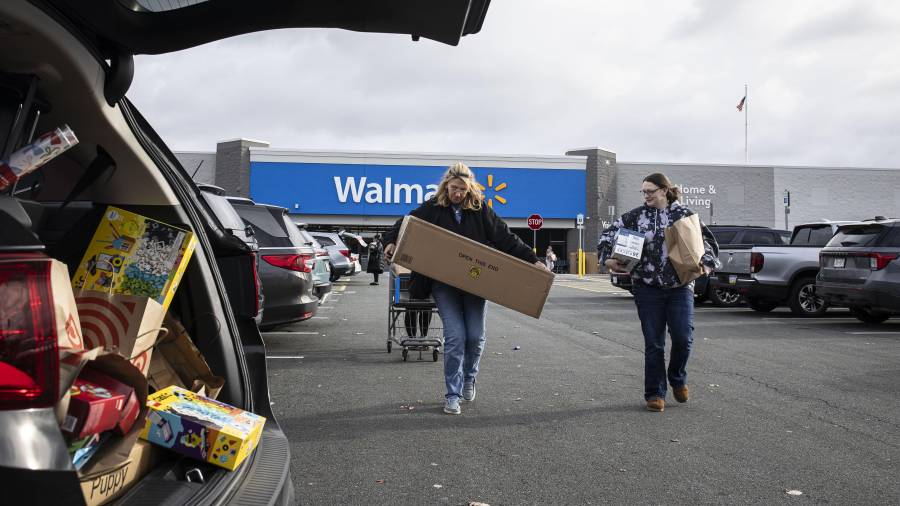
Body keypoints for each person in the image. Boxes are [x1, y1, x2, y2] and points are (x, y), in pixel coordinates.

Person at [383, 162, 549, 415]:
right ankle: (452, 394)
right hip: (443, 284)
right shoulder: (433, 208)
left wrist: (534, 261)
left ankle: (469, 377)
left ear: (470, 188)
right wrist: (391, 241)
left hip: (474, 283)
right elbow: (404, 223)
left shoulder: (480, 211)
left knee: (474, 337)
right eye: (453, 188)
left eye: (462, 189)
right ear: (445, 186)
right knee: (455, 338)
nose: (457, 194)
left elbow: (506, 239)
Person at [597, 172, 720, 413]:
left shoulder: (684, 215)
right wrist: (607, 259)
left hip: (680, 287)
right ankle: (655, 393)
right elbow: (607, 235)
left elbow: (709, 243)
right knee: (654, 343)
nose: (646, 196)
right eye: (643, 192)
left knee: (683, 339)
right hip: (646, 287)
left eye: (650, 191)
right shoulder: (635, 216)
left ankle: (677, 378)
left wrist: (706, 263)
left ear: (664, 190)